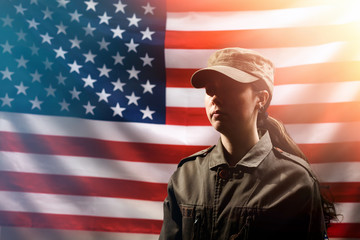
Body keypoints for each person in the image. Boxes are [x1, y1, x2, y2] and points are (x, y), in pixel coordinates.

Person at [159, 48, 337, 240]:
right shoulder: (186, 176)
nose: (215, 98)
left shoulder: (295, 181)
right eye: (210, 90)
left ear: (261, 98)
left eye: (228, 87)